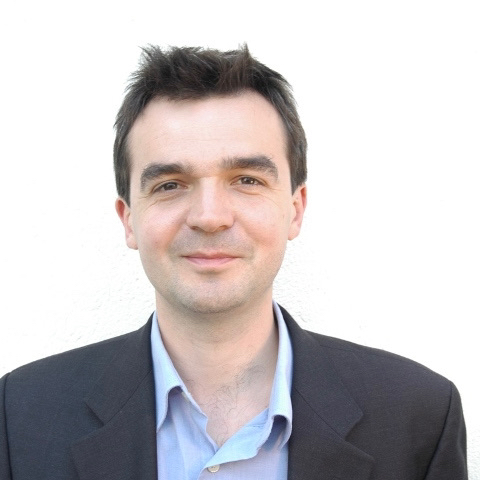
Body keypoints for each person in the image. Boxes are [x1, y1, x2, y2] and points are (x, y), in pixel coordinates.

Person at [0, 45, 467, 480]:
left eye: (246, 180)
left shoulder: (418, 415)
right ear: (129, 220)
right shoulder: (21, 415)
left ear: (295, 210)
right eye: (169, 184)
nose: (209, 217)